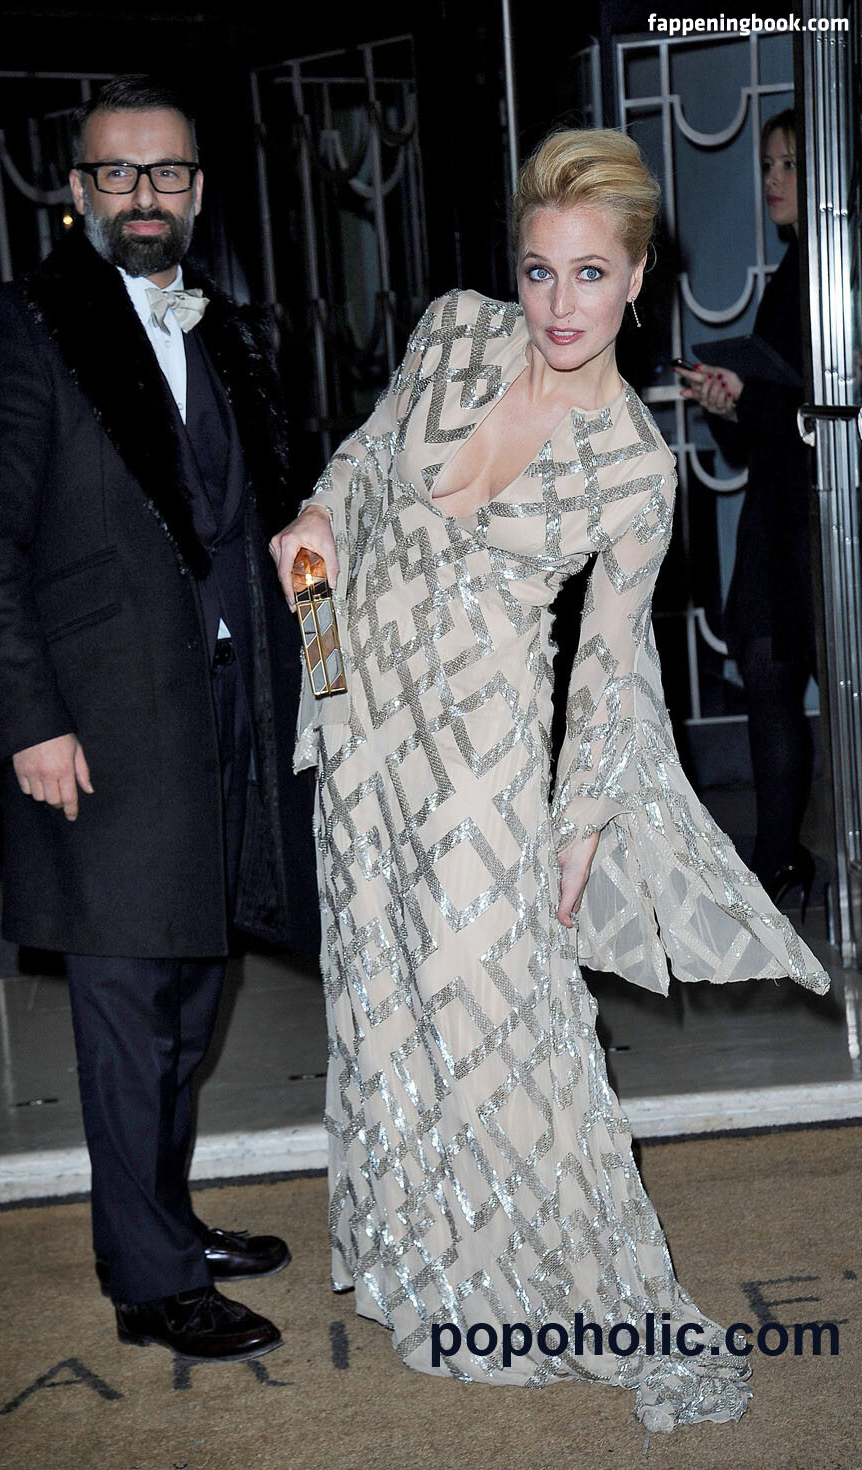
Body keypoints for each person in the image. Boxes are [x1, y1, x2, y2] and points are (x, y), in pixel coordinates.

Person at [270, 128, 828, 1432]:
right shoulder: (453, 333)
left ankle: (565, 1280)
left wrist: (572, 837)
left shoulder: (633, 462)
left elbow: (611, 675)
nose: (560, 304)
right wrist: (317, 526)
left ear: (636, 277)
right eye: (539, 270)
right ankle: (430, 1265)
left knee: (505, 1022)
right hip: (363, 741)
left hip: (482, 768)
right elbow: (363, 459)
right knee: (388, 1005)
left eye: (589, 274)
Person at [0, 75, 312, 1364]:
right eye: (118, 172)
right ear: (77, 189)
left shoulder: (226, 329)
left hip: (227, 710)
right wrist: (29, 721)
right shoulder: (23, 323)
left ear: (197, 190)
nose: (143, 195)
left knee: (194, 994)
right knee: (125, 1008)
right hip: (97, 726)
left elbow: (253, 520)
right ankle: (152, 1284)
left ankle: (158, 1223)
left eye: (166, 173)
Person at [675, 109, 815, 908]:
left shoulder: (826, 274)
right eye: (766, 165)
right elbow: (768, 422)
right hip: (781, 508)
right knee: (766, 674)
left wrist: (746, 401)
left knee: (776, 672)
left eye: (788, 164)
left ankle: (778, 861)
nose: (772, 180)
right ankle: (776, 859)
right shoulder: (792, 275)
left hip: (813, 512)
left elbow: (812, 407)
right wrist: (728, 404)